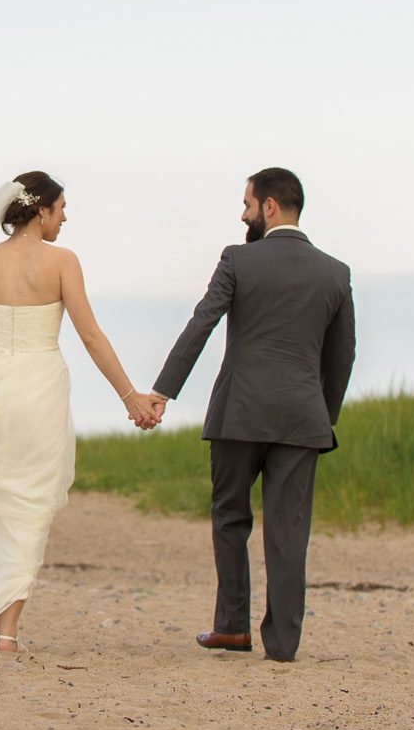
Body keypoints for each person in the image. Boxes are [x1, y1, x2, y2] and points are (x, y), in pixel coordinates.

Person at [0, 172, 163, 653]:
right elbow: (90, 335)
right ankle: (6, 627)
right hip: (39, 388)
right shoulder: (63, 262)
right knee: (30, 506)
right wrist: (130, 396)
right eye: (62, 208)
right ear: (41, 209)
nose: (65, 218)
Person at [147, 167, 356, 662]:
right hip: (303, 419)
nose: (241, 214)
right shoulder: (336, 272)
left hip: (238, 413)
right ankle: (283, 644)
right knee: (289, 530)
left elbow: (202, 322)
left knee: (230, 517)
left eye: (246, 204)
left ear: (269, 207)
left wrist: (163, 390)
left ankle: (233, 627)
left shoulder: (238, 260)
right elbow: (342, 355)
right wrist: (321, 414)